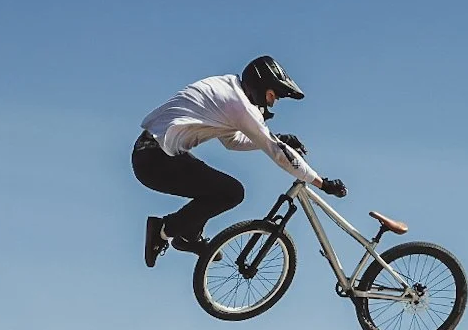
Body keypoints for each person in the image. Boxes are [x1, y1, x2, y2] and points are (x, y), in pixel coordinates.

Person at [134, 55, 348, 267]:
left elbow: (233, 141)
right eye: (273, 95)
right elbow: (280, 155)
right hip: (155, 162)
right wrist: (323, 183)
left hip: (153, 154)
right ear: (260, 85)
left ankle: (188, 234)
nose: (272, 103)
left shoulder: (227, 87)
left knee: (219, 189)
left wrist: (277, 138)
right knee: (231, 192)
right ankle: (163, 230)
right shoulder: (241, 107)